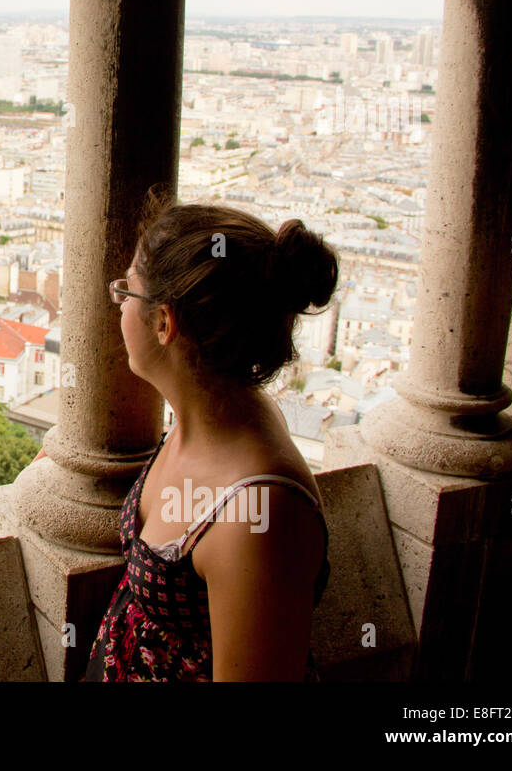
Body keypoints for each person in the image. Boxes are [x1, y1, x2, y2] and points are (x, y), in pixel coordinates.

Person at [84, 184, 339, 682]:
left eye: (126, 290)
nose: (117, 303)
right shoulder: (219, 409)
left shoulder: (260, 518)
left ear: (163, 323)